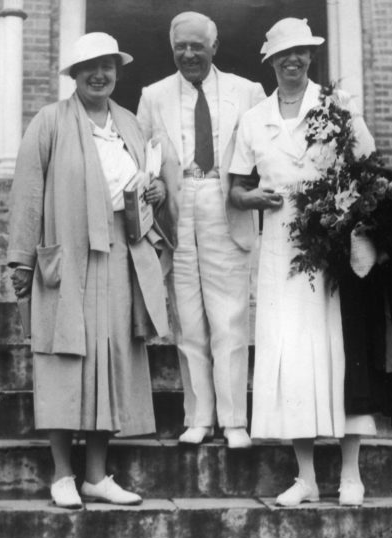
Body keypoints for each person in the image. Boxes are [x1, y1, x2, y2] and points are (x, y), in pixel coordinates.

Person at [229, 17, 387, 507]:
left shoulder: (338, 106)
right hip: (280, 251)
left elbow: (370, 170)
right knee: (292, 358)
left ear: (310, 58)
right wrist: (254, 198)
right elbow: (235, 188)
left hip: (334, 248)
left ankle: (351, 474)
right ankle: (305, 477)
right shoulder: (255, 118)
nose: (292, 61)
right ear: (271, 62)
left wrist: (343, 208)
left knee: (342, 354)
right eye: (283, 55)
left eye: (301, 53)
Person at [7, 33, 169, 509]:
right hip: (69, 256)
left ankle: (96, 475)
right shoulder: (50, 121)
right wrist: (22, 259)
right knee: (64, 359)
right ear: (74, 75)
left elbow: (143, 183)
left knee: (111, 362)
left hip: (121, 254)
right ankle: (62, 474)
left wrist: (155, 191)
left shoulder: (129, 125)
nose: (100, 74)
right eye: (89, 67)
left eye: (108, 66)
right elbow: (27, 192)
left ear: (117, 72)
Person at [137, 11, 266, 448]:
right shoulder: (153, 96)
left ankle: (233, 422)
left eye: (197, 45)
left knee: (229, 317)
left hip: (225, 200)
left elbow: (263, 156)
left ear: (215, 46)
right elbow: (143, 160)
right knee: (188, 320)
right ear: (172, 47)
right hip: (178, 206)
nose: (188, 54)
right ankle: (198, 417)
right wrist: (153, 185)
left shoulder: (247, 92)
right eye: (180, 46)